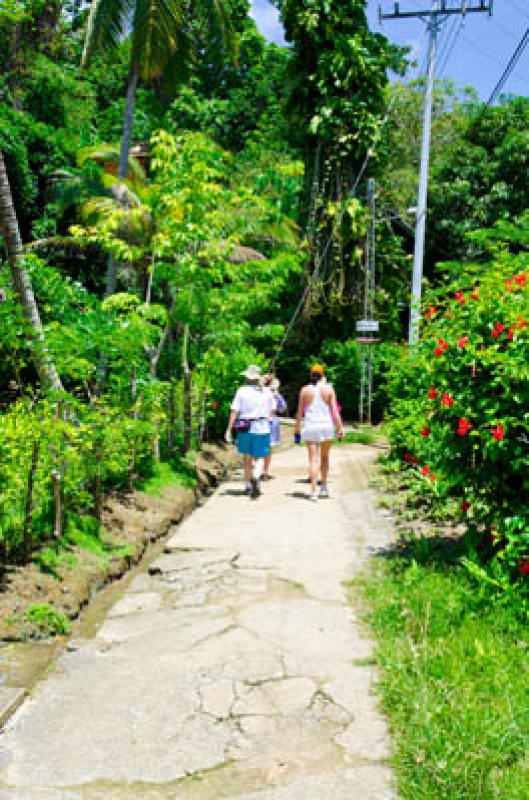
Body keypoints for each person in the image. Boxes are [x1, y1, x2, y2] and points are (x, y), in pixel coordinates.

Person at [294, 364, 344, 501]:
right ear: (323, 375)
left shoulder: (304, 390)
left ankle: (313, 491)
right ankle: (324, 487)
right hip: (326, 426)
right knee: (325, 457)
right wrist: (340, 428)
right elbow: (335, 412)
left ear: (311, 375)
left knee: (313, 459)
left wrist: (296, 430)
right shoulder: (329, 389)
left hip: (310, 426)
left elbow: (299, 413)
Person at [225, 365, 276, 498]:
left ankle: (248, 486)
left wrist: (229, 429)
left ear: (247, 377)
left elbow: (235, 410)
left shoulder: (241, 391)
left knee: (247, 457)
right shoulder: (267, 392)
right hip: (263, 427)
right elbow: (272, 411)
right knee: (260, 457)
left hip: (245, 427)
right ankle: (256, 475)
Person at [261, 374, 287, 480]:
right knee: (268, 448)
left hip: (260, 421)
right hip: (271, 422)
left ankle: (259, 470)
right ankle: (265, 471)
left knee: (260, 447)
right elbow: (282, 408)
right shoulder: (275, 394)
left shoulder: (259, 393)